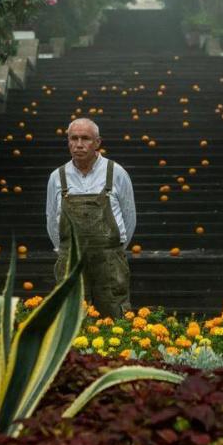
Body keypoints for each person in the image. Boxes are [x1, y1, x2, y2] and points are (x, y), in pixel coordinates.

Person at [46, 118, 136, 318]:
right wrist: (66, 251)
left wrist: (113, 249)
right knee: (71, 317)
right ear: (68, 142)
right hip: (71, 261)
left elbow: (130, 218)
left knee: (115, 316)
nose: (79, 144)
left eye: (85, 138)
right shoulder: (57, 177)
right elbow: (52, 221)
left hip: (110, 261)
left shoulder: (117, 173)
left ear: (97, 142)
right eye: (73, 138)